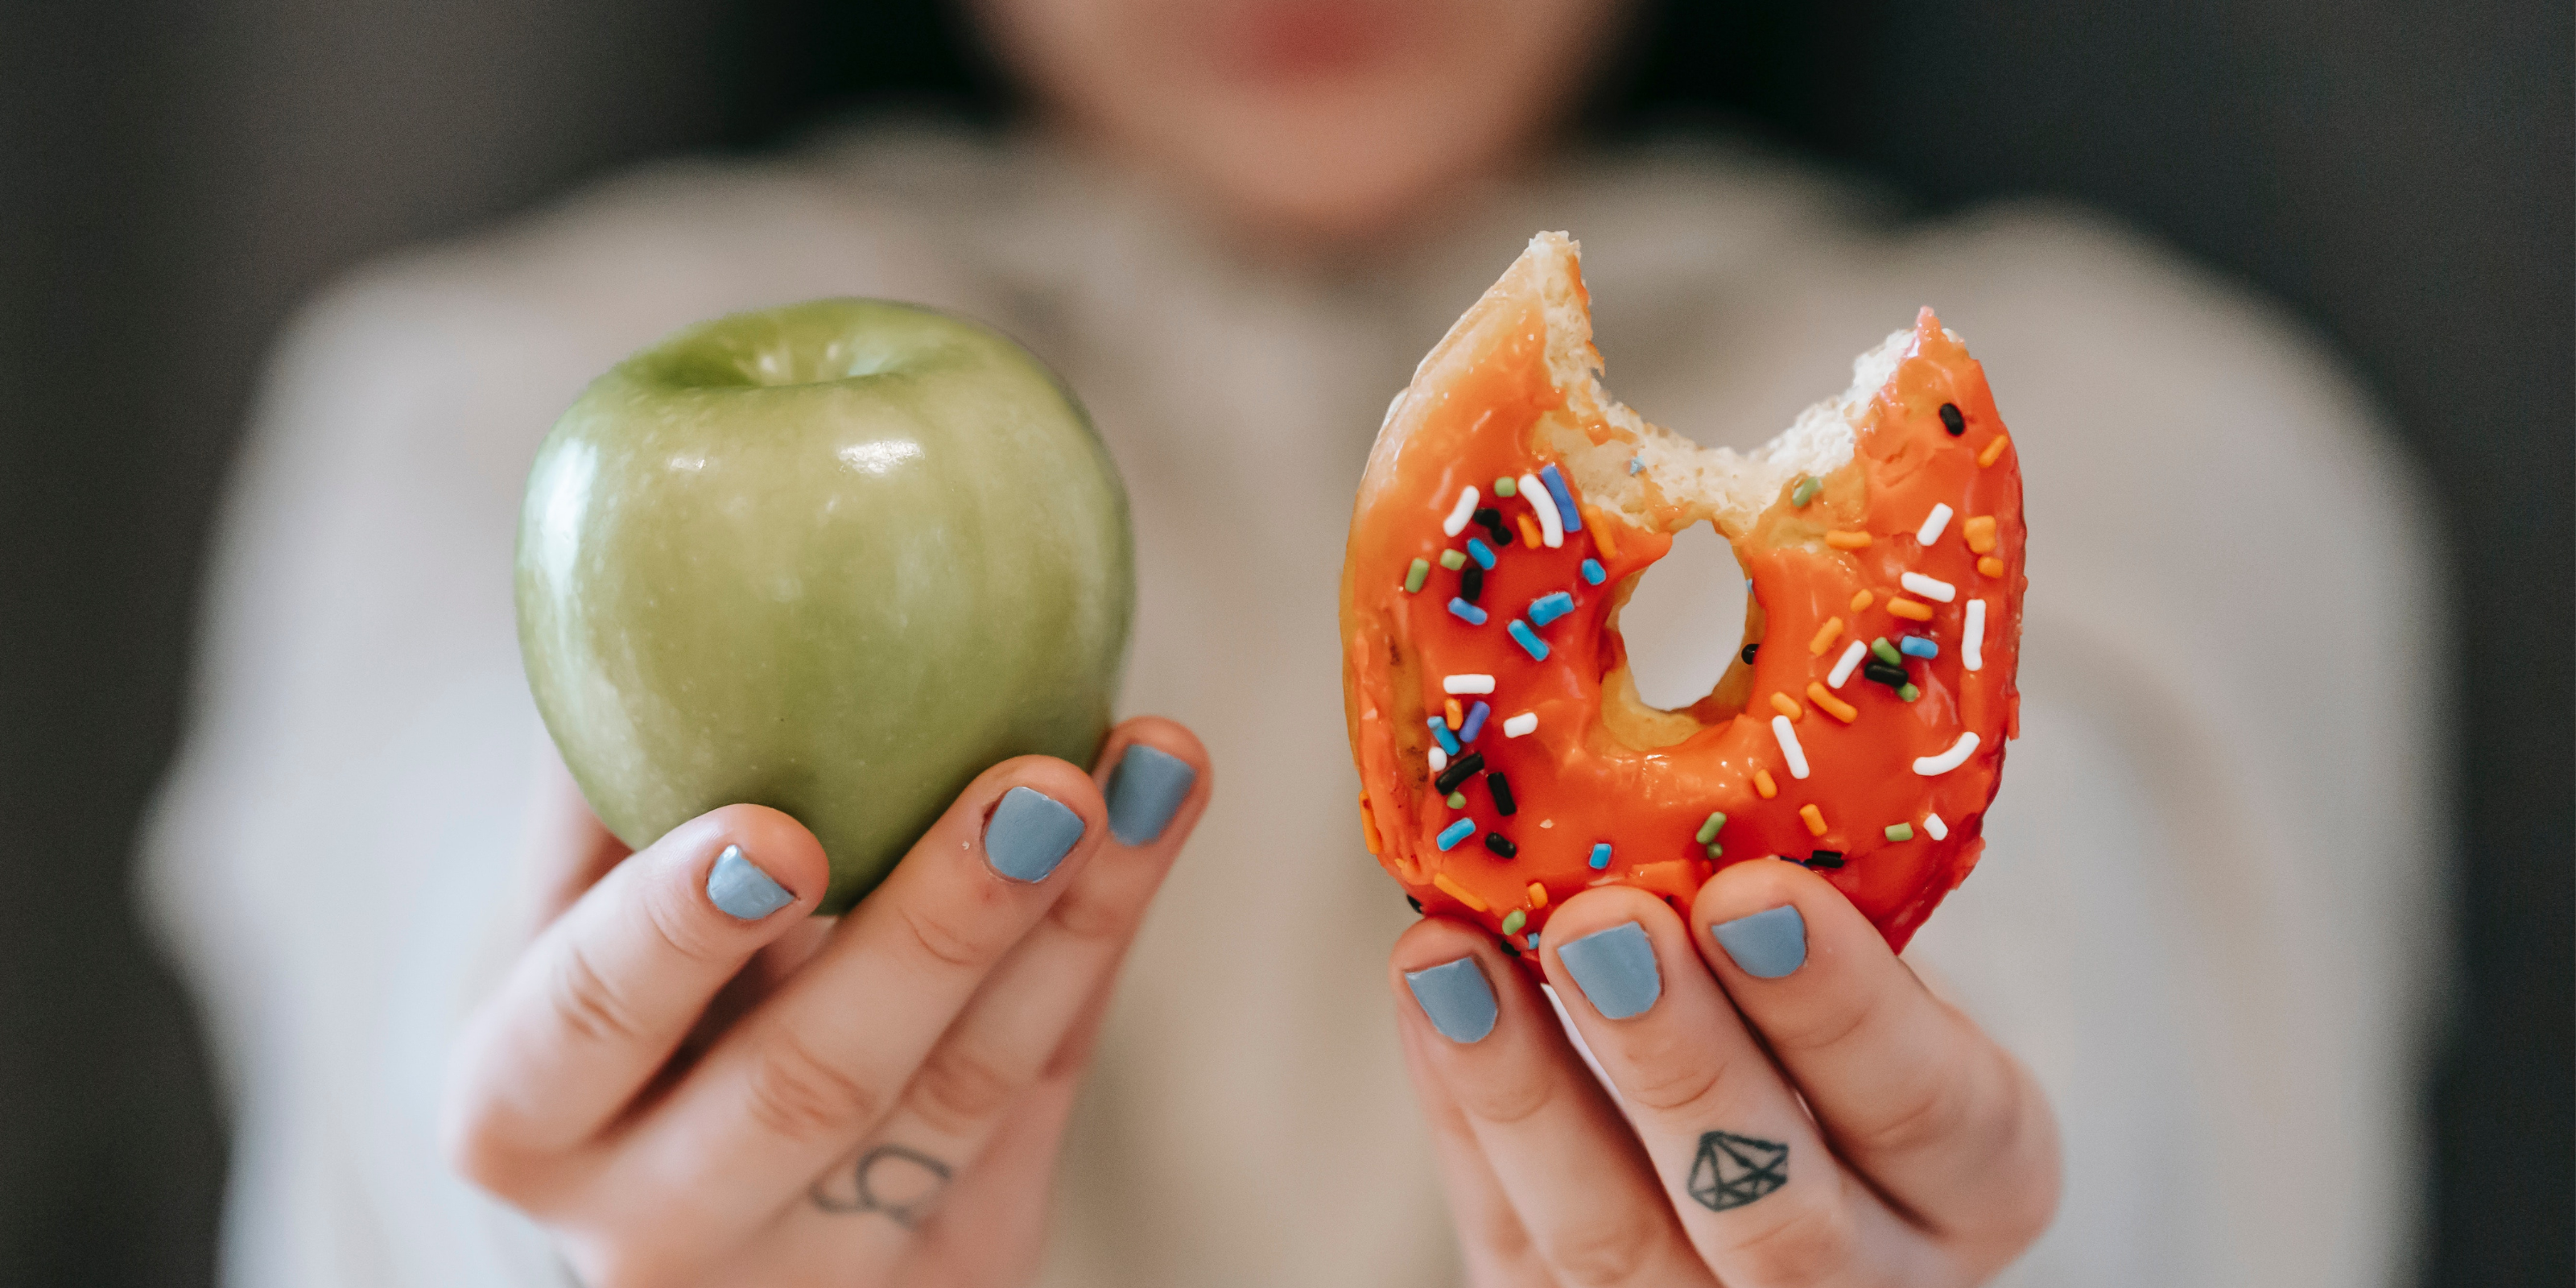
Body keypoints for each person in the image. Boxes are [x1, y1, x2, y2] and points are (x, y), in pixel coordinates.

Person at [142, 0, 2442, 1284]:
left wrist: (1934, 1196)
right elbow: (417, 943)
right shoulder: (471, 396)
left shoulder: (2163, 422)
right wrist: (582, 1198)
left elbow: (2111, 987)